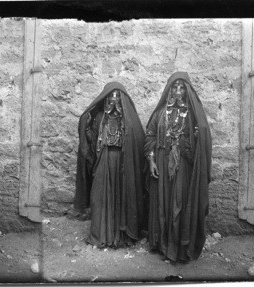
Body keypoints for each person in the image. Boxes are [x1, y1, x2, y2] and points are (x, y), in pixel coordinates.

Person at [144, 71, 212, 262]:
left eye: (182, 88)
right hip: (162, 163)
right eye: (175, 87)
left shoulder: (192, 116)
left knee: (179, 204)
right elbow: (149, 136)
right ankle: (162, 246)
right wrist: (151, 160)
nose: (178, 91)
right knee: (163, 203)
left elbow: (201, 141)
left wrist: (198, 137)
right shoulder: (159, 113)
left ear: (187, 90)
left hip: (183, 165)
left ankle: (179, 249)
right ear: (169, 89)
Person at [75, 82, 146, 249]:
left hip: (123, 162)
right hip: (104, 160)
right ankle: (100, 235)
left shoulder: (128, 120)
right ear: (106, 98)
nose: (114, 100)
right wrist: (86, 128)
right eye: (111, 96)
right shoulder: (100, 118)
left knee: (121, 196)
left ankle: (121, 237)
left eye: (117, 96)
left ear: (122, 99)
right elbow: (92, 141)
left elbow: (137, 140)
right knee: (99, 195)